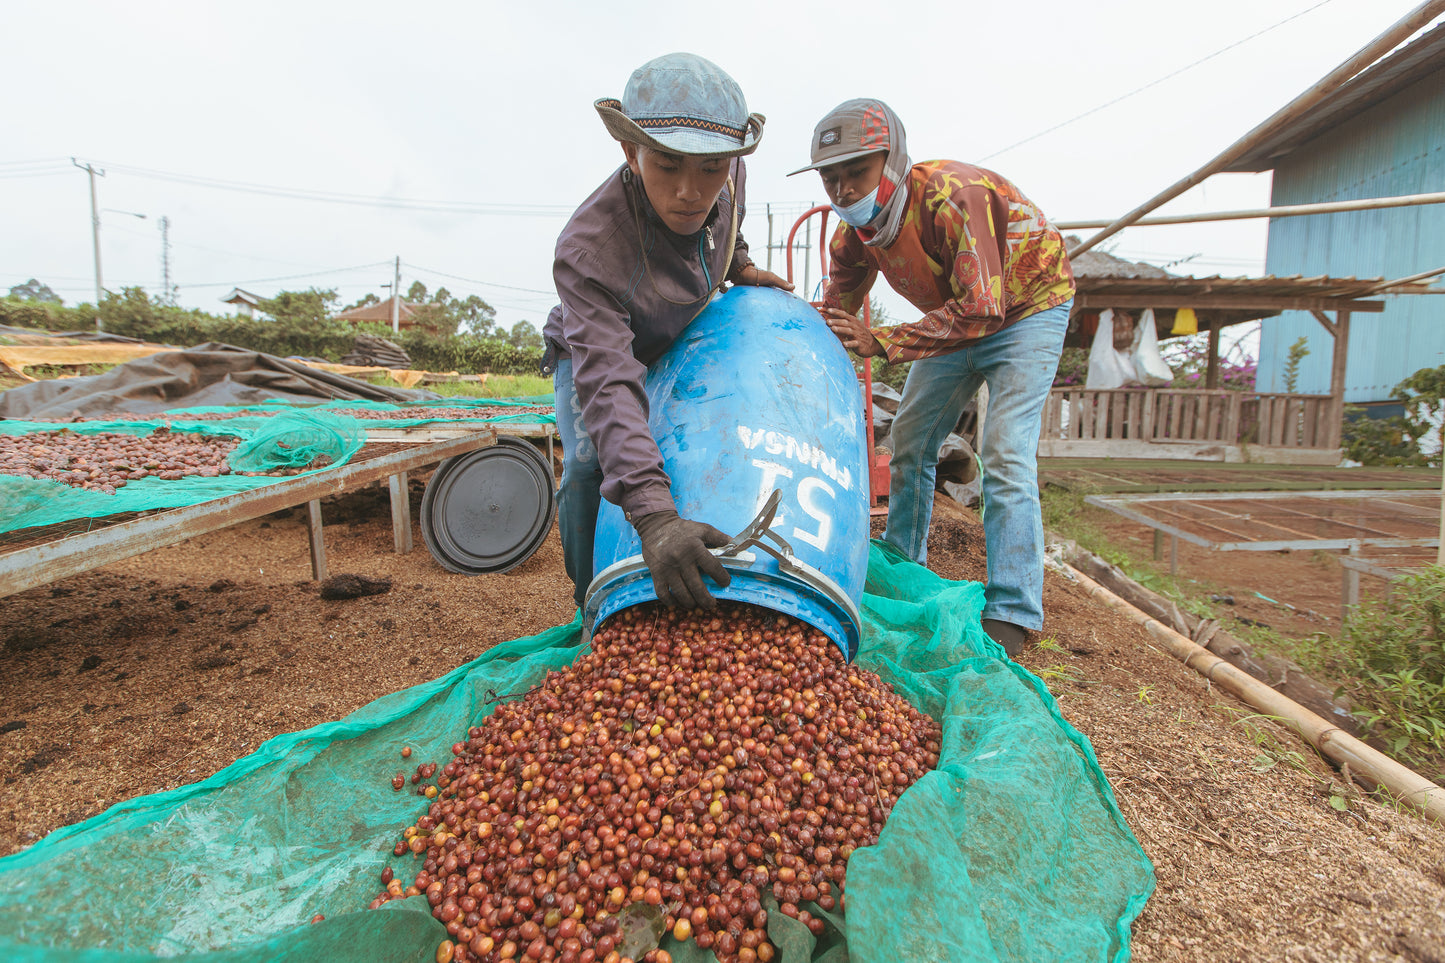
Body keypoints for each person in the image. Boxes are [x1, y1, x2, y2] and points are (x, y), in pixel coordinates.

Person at [791, 98, 1074, 656]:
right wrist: (806, 364)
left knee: (1005, 454)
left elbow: (983, 310)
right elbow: (836, 317)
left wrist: (886, 342)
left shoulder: (954, 200)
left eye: (857, 173)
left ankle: (1013, 611)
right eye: (831, 178)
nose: (844, 191)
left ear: (892, 163)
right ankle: (904, 567)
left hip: (1026, 309)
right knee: (911, 441)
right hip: (958, 315)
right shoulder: (855, 236)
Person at [542, 52, 793, 613]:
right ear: (630, 152)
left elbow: (730, 220)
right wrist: (655, 520)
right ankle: (593, 601)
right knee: (590, 465)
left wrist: (740, 266)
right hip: (596, 347)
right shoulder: (588, 252)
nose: (690, 191)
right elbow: (608, 383)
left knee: (689, 444)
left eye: (710, 168)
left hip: (678, 331)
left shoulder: (731, 170)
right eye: (668, 164)